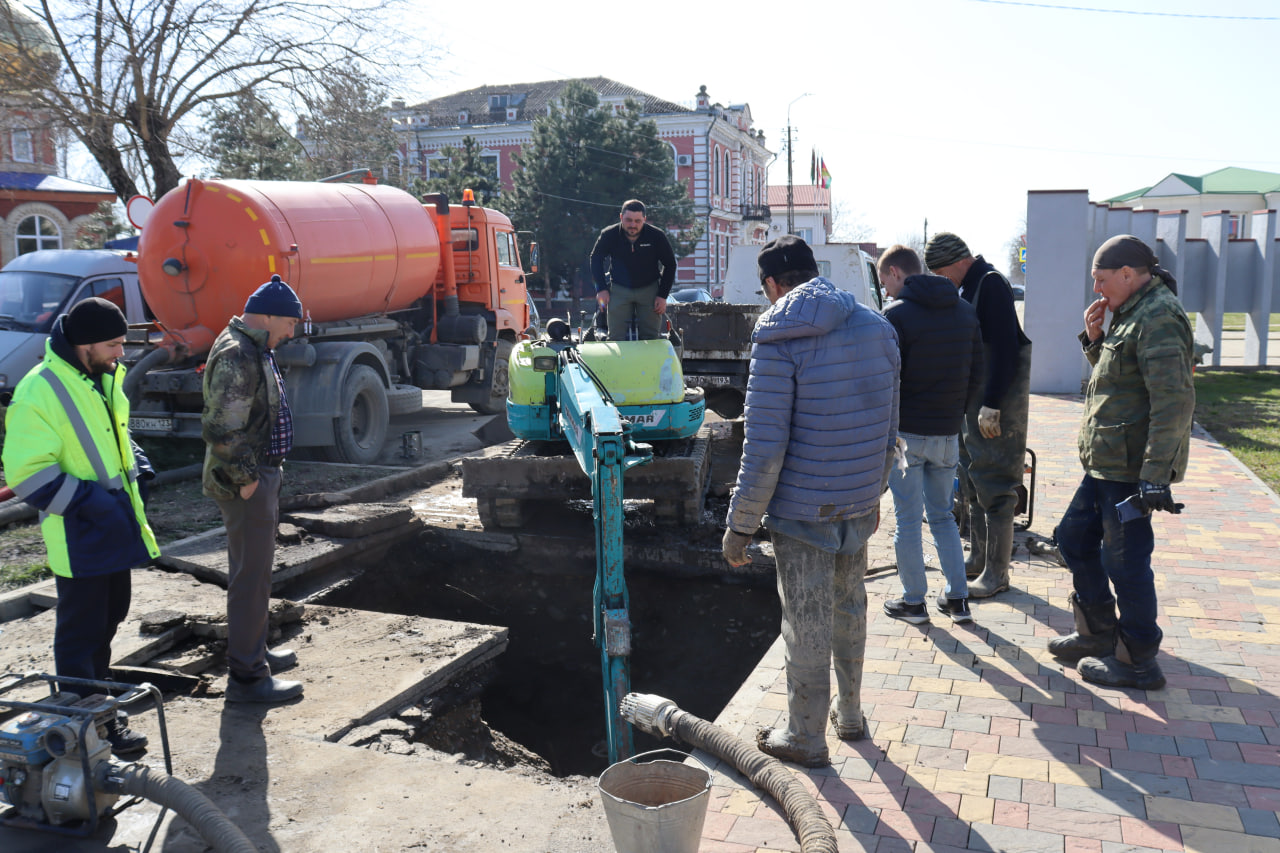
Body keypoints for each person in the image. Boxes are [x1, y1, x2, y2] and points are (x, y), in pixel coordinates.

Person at [722, 235, 900, 768]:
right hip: (858, 503)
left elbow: (765, 447)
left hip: (802, 510)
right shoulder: (878, 326)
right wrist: (873, 493)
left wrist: (740, 525)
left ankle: (805, 736)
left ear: (775, 285)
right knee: (850, 608)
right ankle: (850, 716)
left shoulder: (777, 337)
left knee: (805, 621)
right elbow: (890, 424)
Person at [2, 297, 160, 755]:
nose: (121, 354)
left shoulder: (100, 376)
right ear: (85, 343)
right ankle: (93, 726)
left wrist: (141, 468)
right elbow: (28, 474)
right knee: (81, 635)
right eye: (113, 344)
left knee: (109, 619)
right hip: (82, 536)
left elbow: (114, 433)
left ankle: (98, 705)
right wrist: (96, 505)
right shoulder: (40, 390)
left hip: (112, 529)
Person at [1048, 235, 1194, 690]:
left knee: (1126, 563)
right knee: (1072, 539)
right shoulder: (1132, 313)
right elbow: (1121, 382)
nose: (1098, 290)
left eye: (1102, 280)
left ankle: (1138, 659)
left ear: (1129, 275)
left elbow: (1173, 401)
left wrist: (1154, 477)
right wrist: (1096, 342)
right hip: (1108, 463)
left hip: (1130, 469)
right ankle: (1098, 634)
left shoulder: (1158, 317)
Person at [202, 275, 305, 704]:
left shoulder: (254, 346)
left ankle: (254, 651)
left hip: (259, 475)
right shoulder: (237, 352)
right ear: (266, 316)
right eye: (290, 323)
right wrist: (247, 482)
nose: (292, 332)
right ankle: (247, 677)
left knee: (257, 574)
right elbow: (222, 428)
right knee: (249, 578)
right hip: (247, 481)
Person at [878, 246, 984, 625]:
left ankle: (914, 603)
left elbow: (885, 380)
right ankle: (958, 600)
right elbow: (977, 374)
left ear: (895, 273)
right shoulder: (965, 312)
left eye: (884, 282)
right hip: (947, 433)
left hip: (907, 435)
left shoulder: (895, 316)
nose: (884, 290)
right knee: (943, 517)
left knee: (908, 519)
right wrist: (955, 415)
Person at [924, 232, 1032, 599]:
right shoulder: (969, 287)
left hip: (995, 407)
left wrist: (993, 403)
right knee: (973, 480)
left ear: (957, 261)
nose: (942, 280)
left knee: (996, 485)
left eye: (941, 272)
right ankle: (980, 556)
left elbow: (1005, 349)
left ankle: (997, 573)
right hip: (973, 406)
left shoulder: (990, 285)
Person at [589, 199, 677, 341]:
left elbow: (670, 264)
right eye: (628, 220)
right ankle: (617, 363)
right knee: (615, 338)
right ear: (621, 217)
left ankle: (648, 363)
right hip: (619, 289)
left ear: (645, 219)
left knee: (651, 338)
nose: (633, 225)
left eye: (637, 221)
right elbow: (596, 259)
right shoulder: (609, 235)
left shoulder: (656, 236)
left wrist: (662, 295)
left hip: (649, 290)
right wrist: (601, 289)